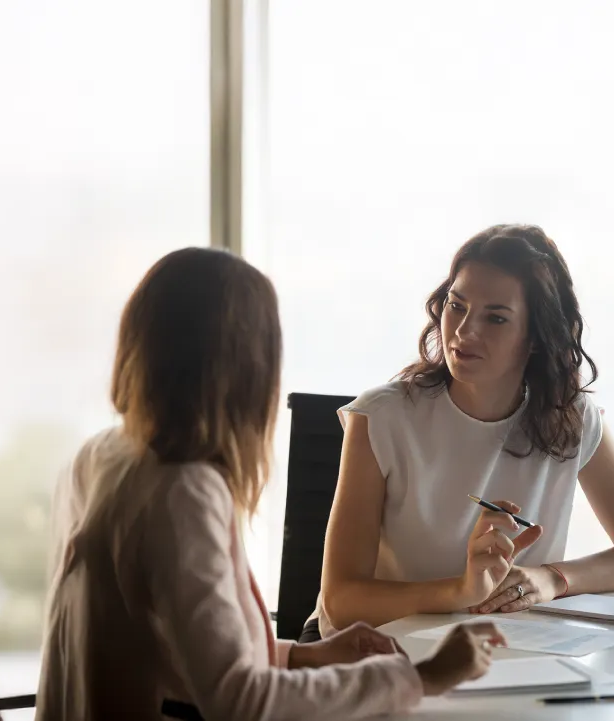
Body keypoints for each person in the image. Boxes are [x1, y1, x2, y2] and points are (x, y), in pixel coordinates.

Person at [36, 247, 506, 721]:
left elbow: (170, 654)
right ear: (249, 367)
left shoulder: (100, 455)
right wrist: (423, 678)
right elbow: (243, 702)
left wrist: (303, 655)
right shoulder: (183, 492)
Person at [307, 224, 614, 642]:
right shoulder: (382, 417)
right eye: (456, 306)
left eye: (495, 317)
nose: (463, 332)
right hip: (370, 652)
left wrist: (552, 579)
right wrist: (461, 592)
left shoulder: (570, 418)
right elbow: (342, 600)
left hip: (504, 649)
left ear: (536, 336)